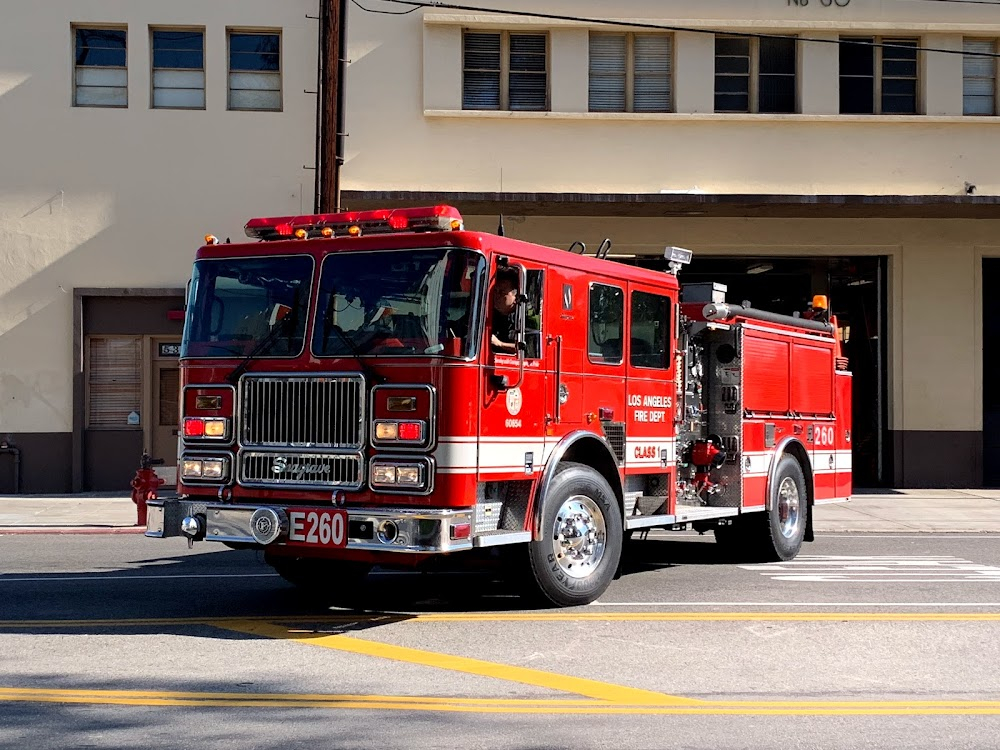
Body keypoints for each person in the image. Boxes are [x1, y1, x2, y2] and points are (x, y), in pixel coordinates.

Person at [490, 269, 519, 353]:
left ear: (516, 297)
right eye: (495, 291)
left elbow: (529, 348)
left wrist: (500, 344)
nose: (497, 296)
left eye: (502, 292)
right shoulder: (488, 316)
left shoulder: (525, 320)